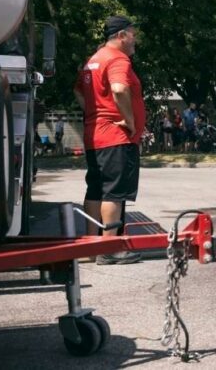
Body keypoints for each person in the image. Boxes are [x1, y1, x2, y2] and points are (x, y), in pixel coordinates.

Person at [73, 15, 145, 265]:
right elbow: (118, 88)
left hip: (96, 135)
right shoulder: (117, 58)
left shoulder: (94, 60)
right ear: (122, 35)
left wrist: (95, 113)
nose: (135, 39)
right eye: (133, 33)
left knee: (95, 189)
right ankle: (110, 248)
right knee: (114, 192)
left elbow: (78, 91)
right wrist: (128, 120)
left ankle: (91, 246)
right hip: (115, 136)